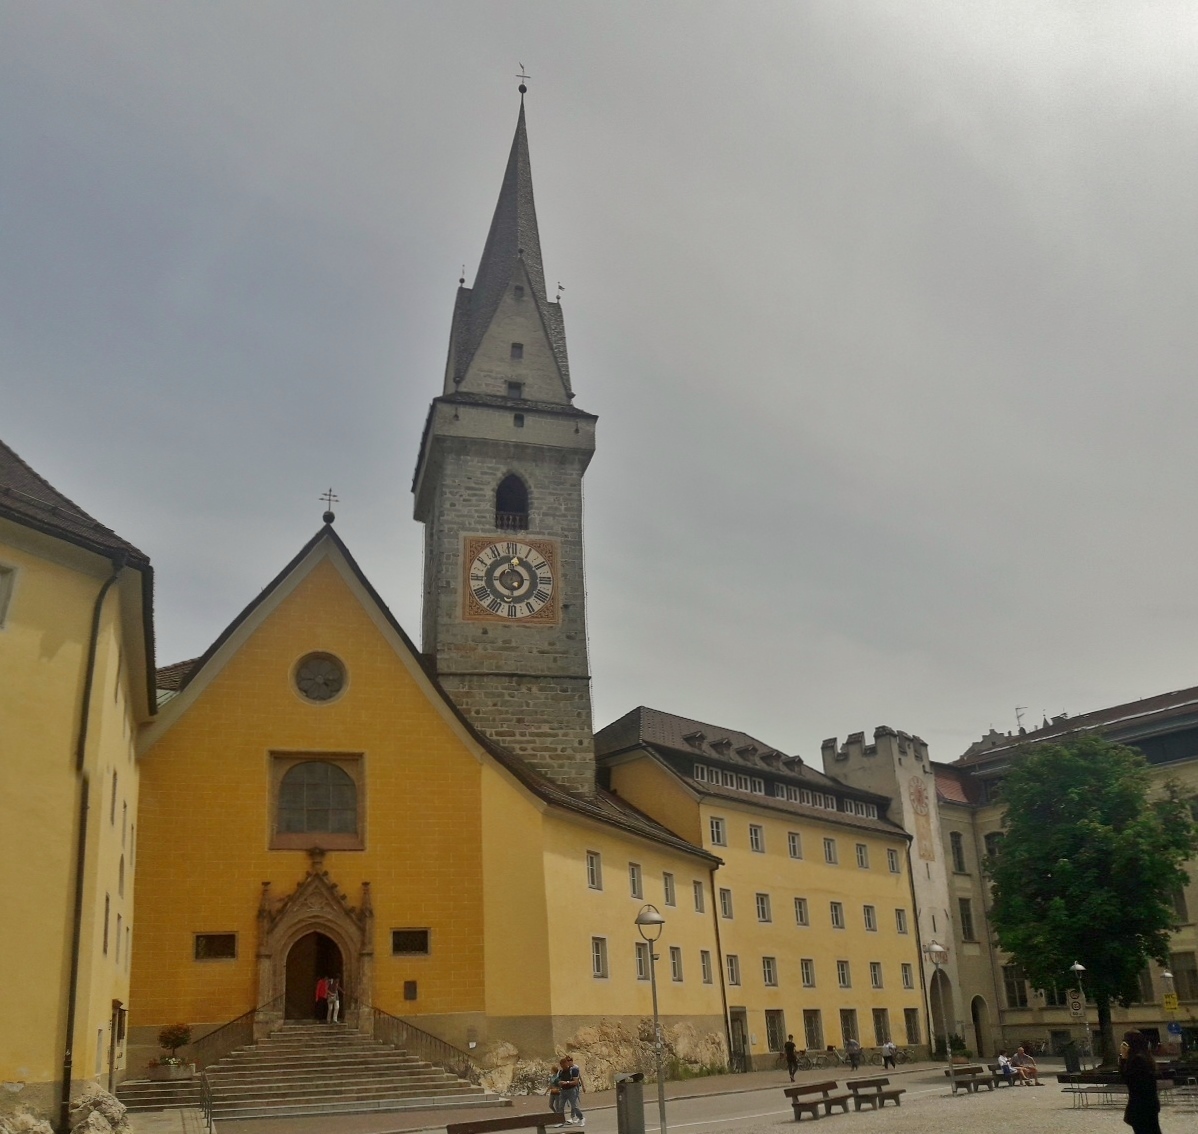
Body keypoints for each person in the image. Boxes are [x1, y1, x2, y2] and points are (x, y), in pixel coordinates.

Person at [1122, 1030, 1162, 1134]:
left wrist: (1124, 1059)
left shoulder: (1137, 1060)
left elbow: (1130, 1081)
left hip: (1141, 1108)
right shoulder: (1145, 1057)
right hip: (1149, 1105)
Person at [551, 1055, 584, 1127]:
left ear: (567, 1064)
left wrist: (567, 1082)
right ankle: (561, 1121)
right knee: (560, 1107)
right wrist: (559, 1083)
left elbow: (575, 1082)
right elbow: (558, 1080)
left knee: (574, 1106)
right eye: (561, 1065)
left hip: (572, 1090)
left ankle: (581, 1118)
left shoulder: (574, 1070)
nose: (563, 1067)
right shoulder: (561, 1072)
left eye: (564, 1065)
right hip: (563, 1091)